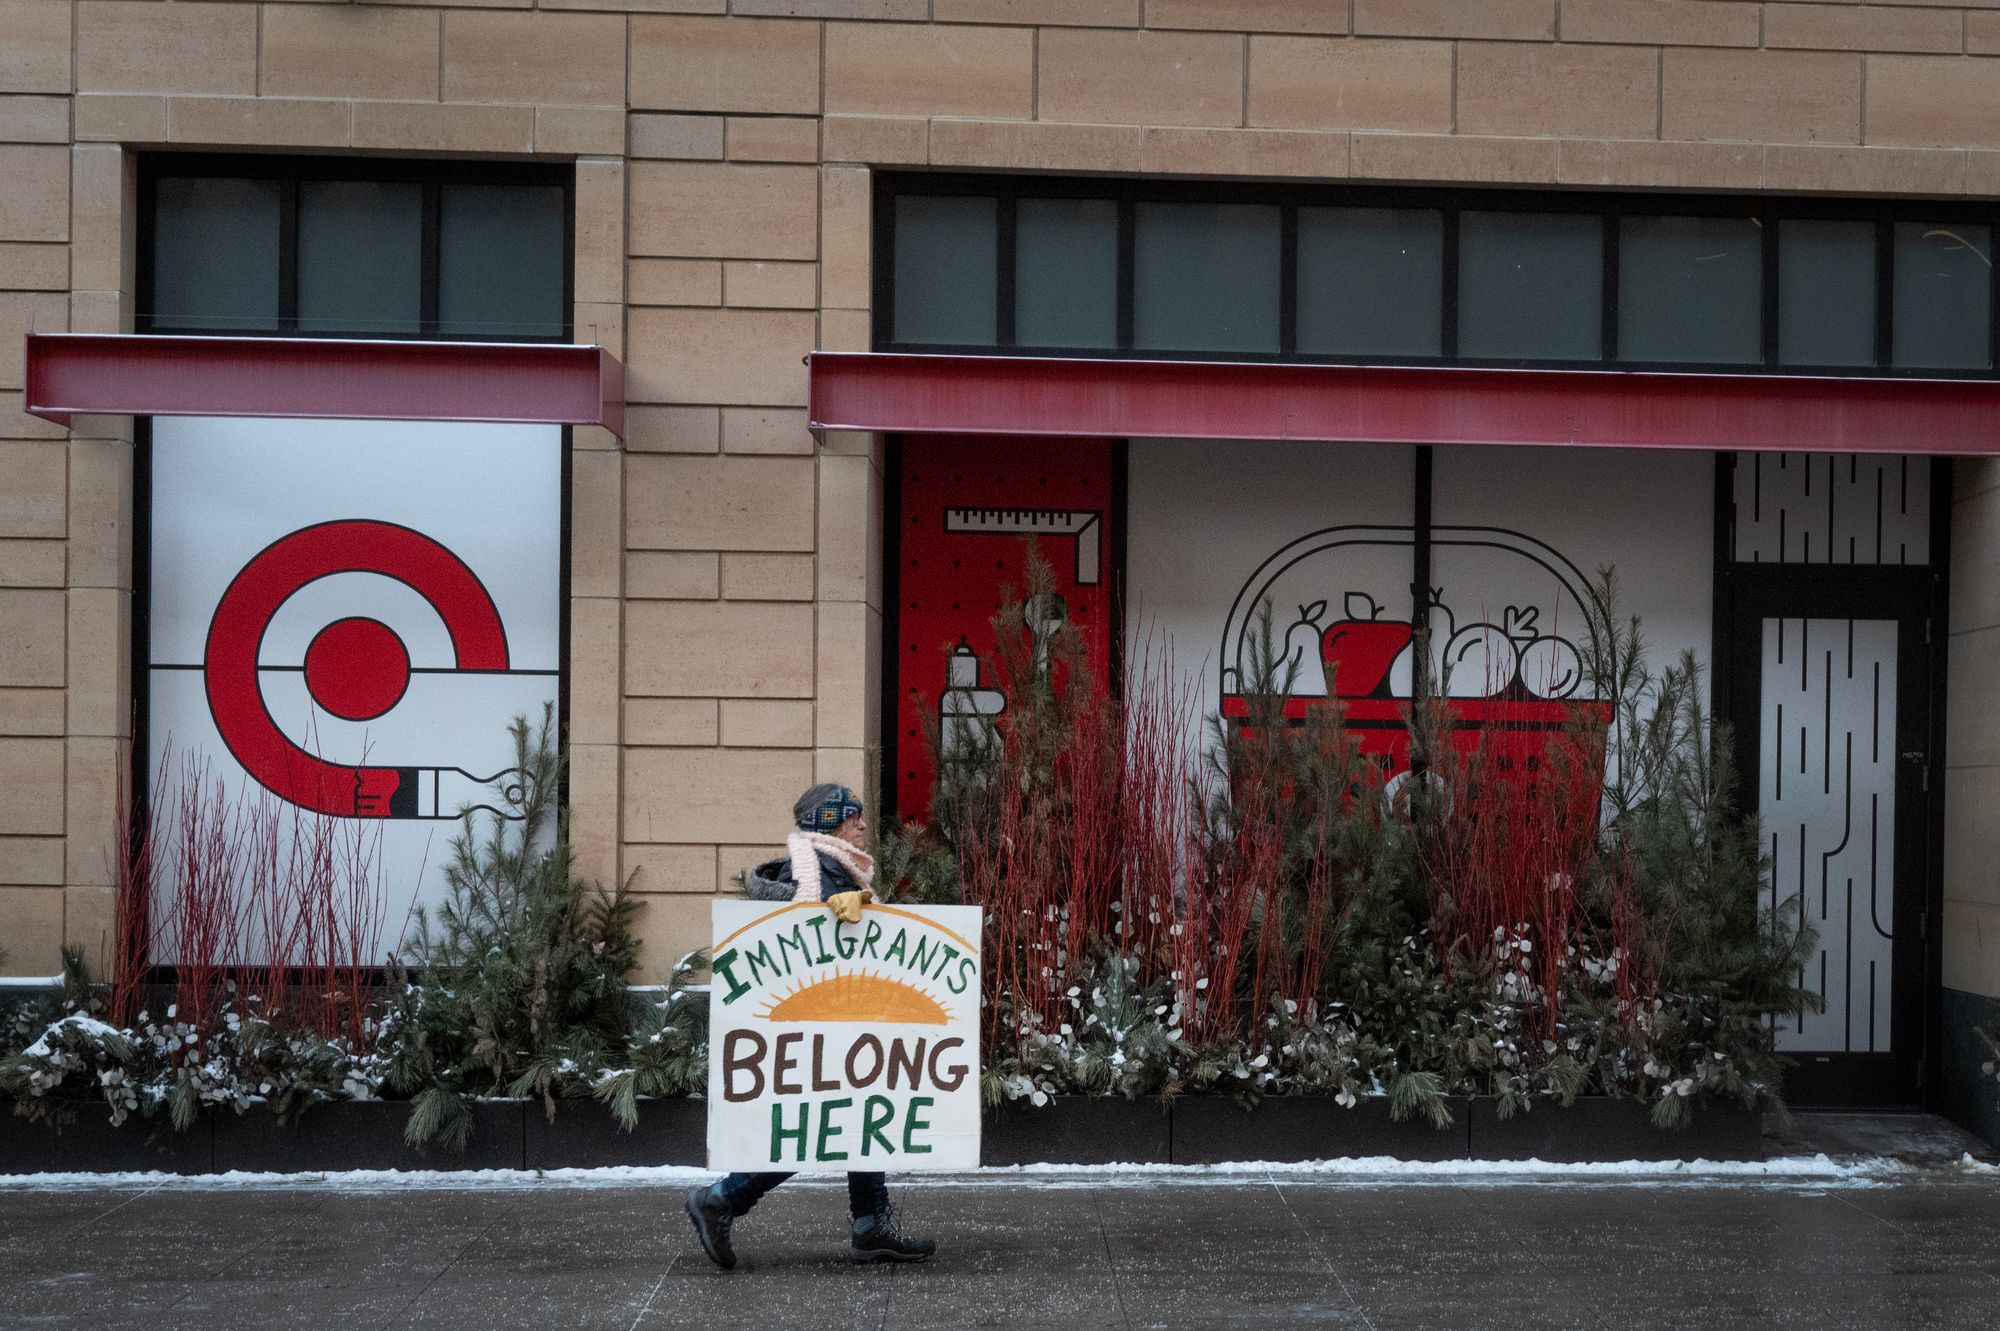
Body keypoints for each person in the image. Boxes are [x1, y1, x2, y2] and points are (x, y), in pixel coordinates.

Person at [684, 783, 939, 1270]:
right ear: (829, 822)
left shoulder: (835, 868)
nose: (863, 824)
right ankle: (721, 1200)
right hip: (825, 1020)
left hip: (840, 1017)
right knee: (822, 1124)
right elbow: (807, 943)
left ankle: (870, 1227)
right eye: (853, 816)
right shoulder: (818, 874)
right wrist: (831, 911)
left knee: (858, 1118)